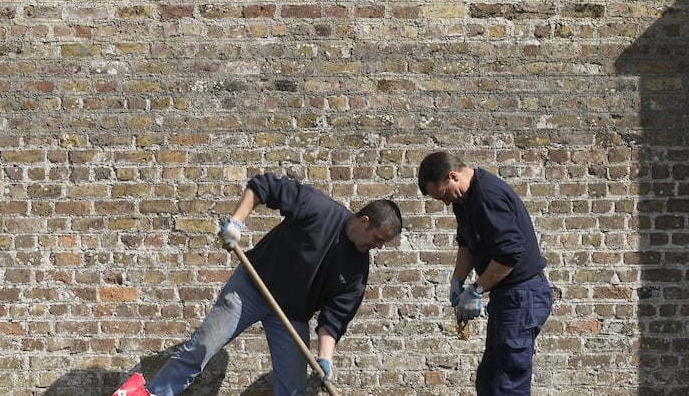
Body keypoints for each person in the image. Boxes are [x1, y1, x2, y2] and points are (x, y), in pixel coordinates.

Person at [113, 172, 403, 396]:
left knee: (292, 389)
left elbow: (335, 317)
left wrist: (325, 359)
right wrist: (236, 223)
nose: (378, 247)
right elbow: (264, 186)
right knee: (201, 348)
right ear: (364, 221)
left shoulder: (356, 272)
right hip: (251, 288)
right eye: (378, 239)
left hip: (290, 316)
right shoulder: (318, 209)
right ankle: (149, 393)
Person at [417, 151, 552, 396]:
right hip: (508, 298)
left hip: (523, 296)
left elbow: (510, 255)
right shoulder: (464, 200)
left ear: (453, 176)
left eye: (443, 195)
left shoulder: (487, 197)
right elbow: (467, 242)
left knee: (509, 383)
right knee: (488, 381)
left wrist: (477, 288)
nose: (445, 202)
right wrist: (457, 280)